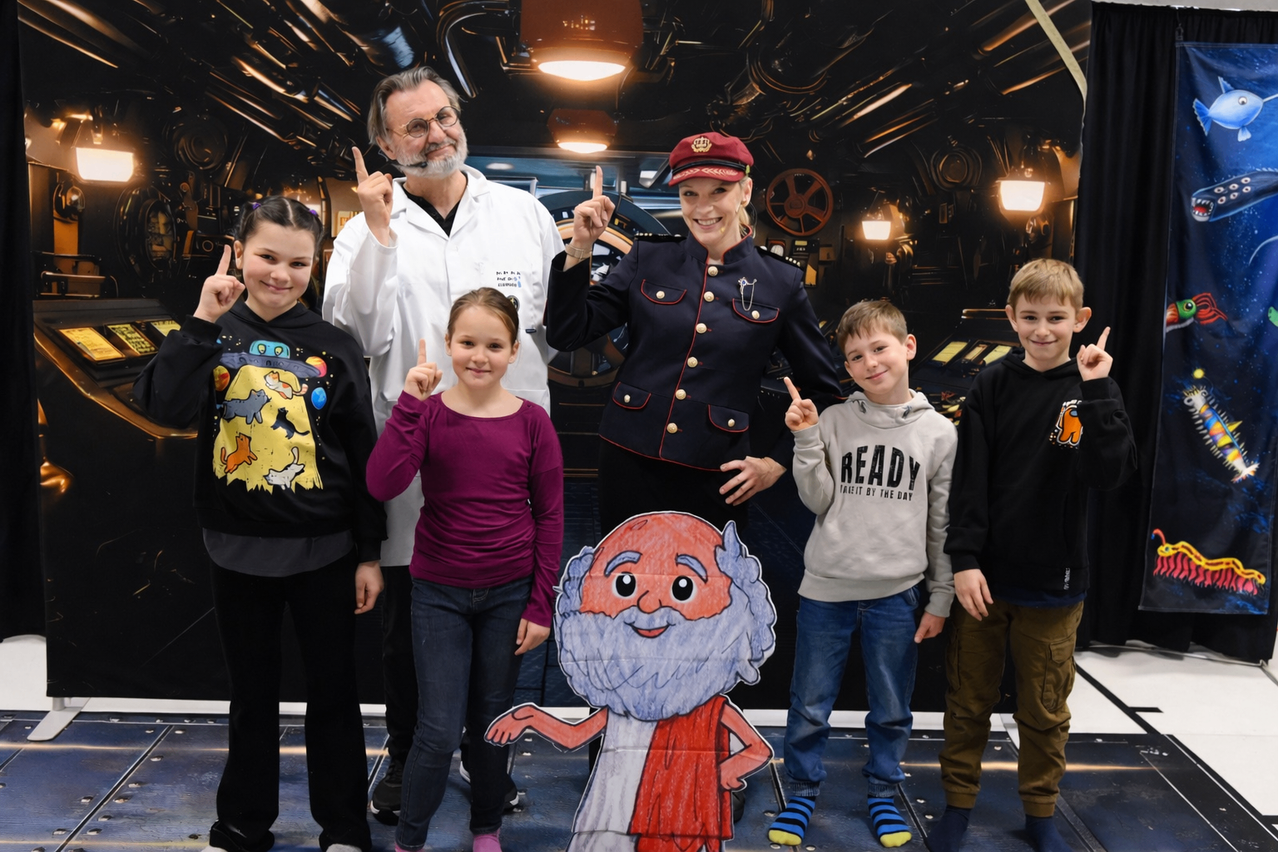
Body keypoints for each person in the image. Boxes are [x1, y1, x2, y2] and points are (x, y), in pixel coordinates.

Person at [323, 65, 562, 822]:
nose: (438, 133)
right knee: (409, 627)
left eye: (445, 115)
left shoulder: (524, 214)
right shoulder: (364, 228)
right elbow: (352, 335)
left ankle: (488, 762)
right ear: (387, 145)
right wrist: (383, 237)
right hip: (417, 455)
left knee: (505, 625)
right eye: (416, 126)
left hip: (508, 455)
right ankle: (407, 758)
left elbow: (552, 336)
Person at [134, 196, 385, 852]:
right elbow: (163, 404)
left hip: (326, 551)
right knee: (252, 698)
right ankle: (244, 821)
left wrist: (367, 551)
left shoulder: (335, 345)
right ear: (238, 252)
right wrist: (199, 321)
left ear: (316, 264)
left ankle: (345, 827)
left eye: (298, 262)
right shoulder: (210, 333)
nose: (281, 274)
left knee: (334, 696)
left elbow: (363, 455)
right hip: (237, 550)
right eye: (267, 257)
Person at [927, 260, 1137, 852]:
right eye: (1030, 318)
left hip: (1055, 583)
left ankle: (1041, 811)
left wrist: (1096, 390)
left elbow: (1111, 472)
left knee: (1045, 708)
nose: (1043, 330)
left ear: (1081, 319)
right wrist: (964, 560)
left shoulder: (1095, 387)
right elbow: (969, 480)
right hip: (984, 582)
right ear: (1011, 319)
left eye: (1056, 318)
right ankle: (957, 805)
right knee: (968, 700)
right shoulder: (991, 385)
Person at [546, 133, 842, 535]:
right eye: (689, 194)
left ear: (745, 191)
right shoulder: (647, 258)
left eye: (719, 191)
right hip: (629, 460)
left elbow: (824, 390)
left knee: (708, 591)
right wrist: (581, 246)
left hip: (716, 473)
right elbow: (568, 333)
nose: (703, 208)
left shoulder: (781, 282)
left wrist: (777, 462)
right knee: (624, 585)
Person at [365, 288, 564, 852]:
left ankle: (486, 829)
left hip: (508, 594)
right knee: (436, 728)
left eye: (493, 345)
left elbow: (550, 518)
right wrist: (407, 403)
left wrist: (539, 604)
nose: (480, 356)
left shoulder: (532, 423)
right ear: (449, 345)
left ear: (515, 350)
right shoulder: (426, 416)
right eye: (468, 342)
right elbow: (382, 484)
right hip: (438, 594)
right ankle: (409, 839)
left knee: (492, 721)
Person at [769, 300, 957, 849]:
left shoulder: (940, 434)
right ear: (845, 368)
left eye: (880, 348)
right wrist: (806, 439)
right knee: (808, 702)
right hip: (827, 588)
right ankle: (802, 791)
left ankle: (883, 791)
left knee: (893, 705)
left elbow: (941, 524)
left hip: (898, 594)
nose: (870, 363)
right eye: (855, 356)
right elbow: (819, 500)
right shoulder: (832, 420)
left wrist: (940, 596)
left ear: (908, 347)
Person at [486, 512, 776, 852]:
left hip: (675, 825)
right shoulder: (623, 707)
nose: (648, 604)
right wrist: (530, 717)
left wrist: (724, 773)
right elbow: (574, 736)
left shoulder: (711, 708)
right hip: (610, 817)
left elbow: (758, 750)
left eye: (682, 587)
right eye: (626, 583)